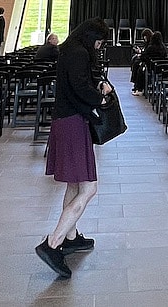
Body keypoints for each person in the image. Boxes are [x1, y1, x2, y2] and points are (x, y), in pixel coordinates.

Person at [36, 18, 111, 279]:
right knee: (89, 188)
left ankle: (70, 236)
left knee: (74, 184)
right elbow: (80, 88)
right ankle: (53, 243)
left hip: (64, 120)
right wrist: (101, 96)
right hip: (72, 124)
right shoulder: (79, 53)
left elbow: (73, 85)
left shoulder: (68, 49)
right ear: (92, 37)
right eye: (99, 42)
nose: (99, 48)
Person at [130, 29, 167, 95]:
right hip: (162, 69)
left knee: (139, 69)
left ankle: (139, 89)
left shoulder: (150, 48)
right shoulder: (163, 48)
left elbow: (144, 57)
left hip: (151, 67)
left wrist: (140, 53)